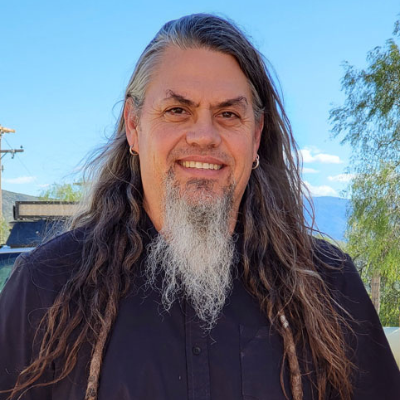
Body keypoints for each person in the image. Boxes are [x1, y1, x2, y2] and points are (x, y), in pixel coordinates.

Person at [0, 14, 399, 400]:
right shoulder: (46, 288)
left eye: (228, 114)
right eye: (178, 110)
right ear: (134, 126)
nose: (205, 135)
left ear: (256, 135)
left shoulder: (329, 288)